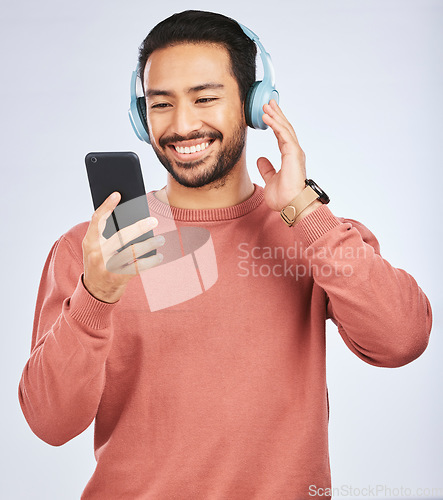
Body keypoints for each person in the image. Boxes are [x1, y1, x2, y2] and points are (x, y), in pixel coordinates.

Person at [18, 10, 432, 500]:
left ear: (254, 105)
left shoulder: (313, 233)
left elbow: (403, 339)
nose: (183, 125)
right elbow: (49, 422)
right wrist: (97, 296)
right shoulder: (93, 254)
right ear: (140, 115)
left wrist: (305, 211)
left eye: (206, 98)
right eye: (161, 104)